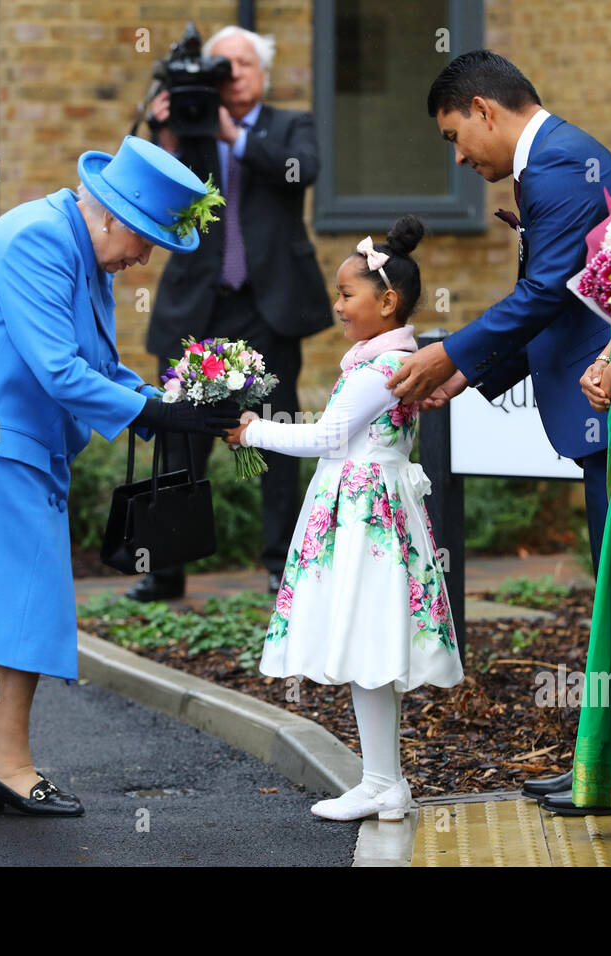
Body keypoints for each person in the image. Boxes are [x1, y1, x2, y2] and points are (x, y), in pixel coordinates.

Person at [0, 136, 239, 815]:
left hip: (13, 438)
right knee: (23, 604)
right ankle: (6, 766)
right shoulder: (40, 241)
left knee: (12, 603)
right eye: (146, 239)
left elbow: (95, 361)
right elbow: (59, 370)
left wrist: (172, 406)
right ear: (111, 218)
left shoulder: (75, 244)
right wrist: (156, 412)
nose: (144, 257)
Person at [386, 50, 611, 803]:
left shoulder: (558, 168)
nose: (460, 155)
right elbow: (561, 298)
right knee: (609, 594)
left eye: (454, 136)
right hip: (598, 402)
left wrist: (445, 353)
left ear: (484, 110)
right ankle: (606, 763)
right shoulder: (558, 164)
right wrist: (474, 373)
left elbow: (543, 293)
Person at [226, 216, 462, 821]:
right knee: (368, 641)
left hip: (366, 513)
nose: (336, 305)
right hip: (361, 506)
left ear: (387, 302)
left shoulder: (382, 368)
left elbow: (330, 436)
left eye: (346, 294)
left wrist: (256, 430)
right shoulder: (383, 359)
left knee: (369, 637)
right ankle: (384, 782)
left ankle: (384, 781)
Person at [131, 25, 331, 602]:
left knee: (274, 438)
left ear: (263, 72)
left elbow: (302, 170)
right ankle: (165, 569)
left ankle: (280, 567)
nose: (233, 74)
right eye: (222, 66)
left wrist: (233, 136)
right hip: (198, 307)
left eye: (242, 64)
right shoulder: (188, 128)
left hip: (268, 309)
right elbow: (156, 200)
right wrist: (166, 133)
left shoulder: (292, 124)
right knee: (179, 440)